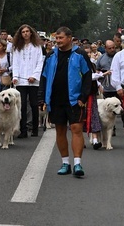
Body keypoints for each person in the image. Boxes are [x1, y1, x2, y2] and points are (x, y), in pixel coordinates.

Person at [39, 27, 91, 177]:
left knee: (76, 129)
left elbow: (88, 76)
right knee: (60, 130)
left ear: (69, 38)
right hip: (55, 99)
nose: (58, 41)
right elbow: (43, 77)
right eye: (57, 38)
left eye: (61, 38)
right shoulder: (50, 56)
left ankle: (77, 163)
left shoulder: (80, 54)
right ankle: (65, 163)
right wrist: (42, 97)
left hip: (75, 100)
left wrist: (83, 97)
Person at [12, 24, 44, 138]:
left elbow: (40, 62)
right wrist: (15, 76)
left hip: (33, 80)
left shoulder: (37, 47)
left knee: (34, 104)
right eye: (23, 32)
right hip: (21, 80)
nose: (25, 33)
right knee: (22, 105)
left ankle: (34, 129)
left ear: (31, 33)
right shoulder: (17, 47)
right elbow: (15, 62)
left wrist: (34, 76)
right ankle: (23, 130)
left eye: (27, 31)